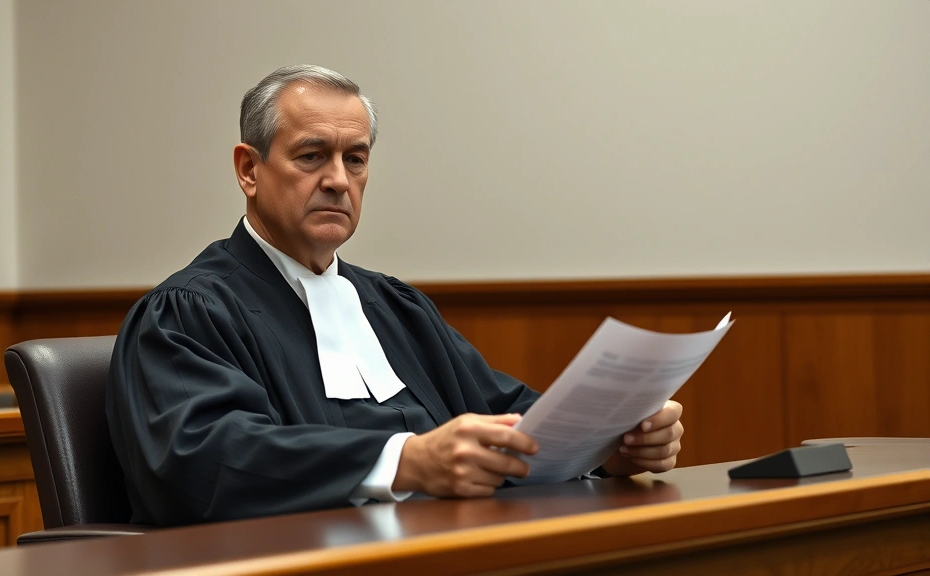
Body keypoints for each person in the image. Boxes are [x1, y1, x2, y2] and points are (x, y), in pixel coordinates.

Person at [106, 65, 684, 527]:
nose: (338, 180)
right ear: (248, 170)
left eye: (355, 159)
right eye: (311, 156)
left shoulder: (393, 306)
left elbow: (504, 414)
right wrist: (407, 461)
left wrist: (609, 446)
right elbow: (202, 461)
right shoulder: (188, 313)